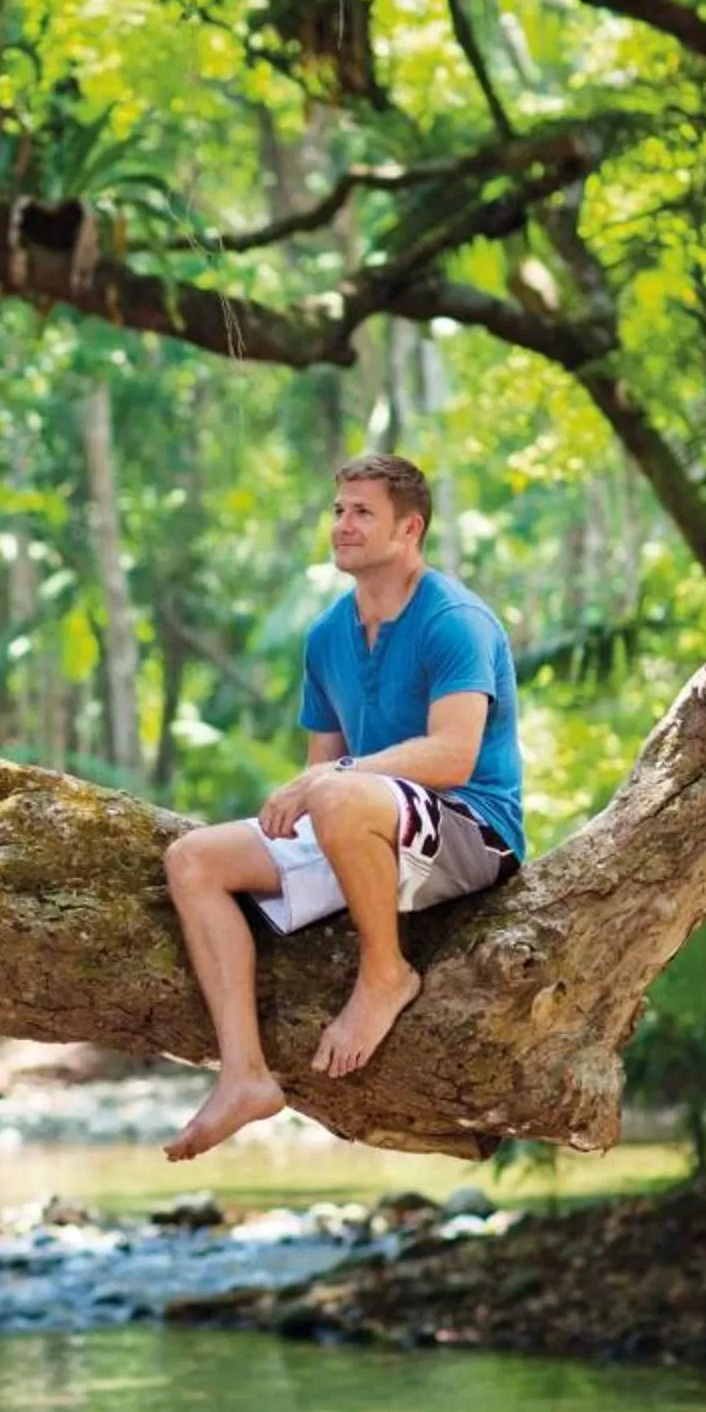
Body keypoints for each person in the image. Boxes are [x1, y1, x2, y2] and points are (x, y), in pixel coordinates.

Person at [161, 451, 525, 1162]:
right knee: (194, 859)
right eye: (337, 511)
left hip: (470, 830)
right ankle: (245, 1076)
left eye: (362, 512)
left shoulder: (454, 619)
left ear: (409, 529)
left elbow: (454, 755)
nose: (342, 525)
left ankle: (385, 972)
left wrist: (328, 785)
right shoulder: (327, 635)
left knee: (335, 792)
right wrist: (297, 809)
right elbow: (321, 770)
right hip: (362, 821)